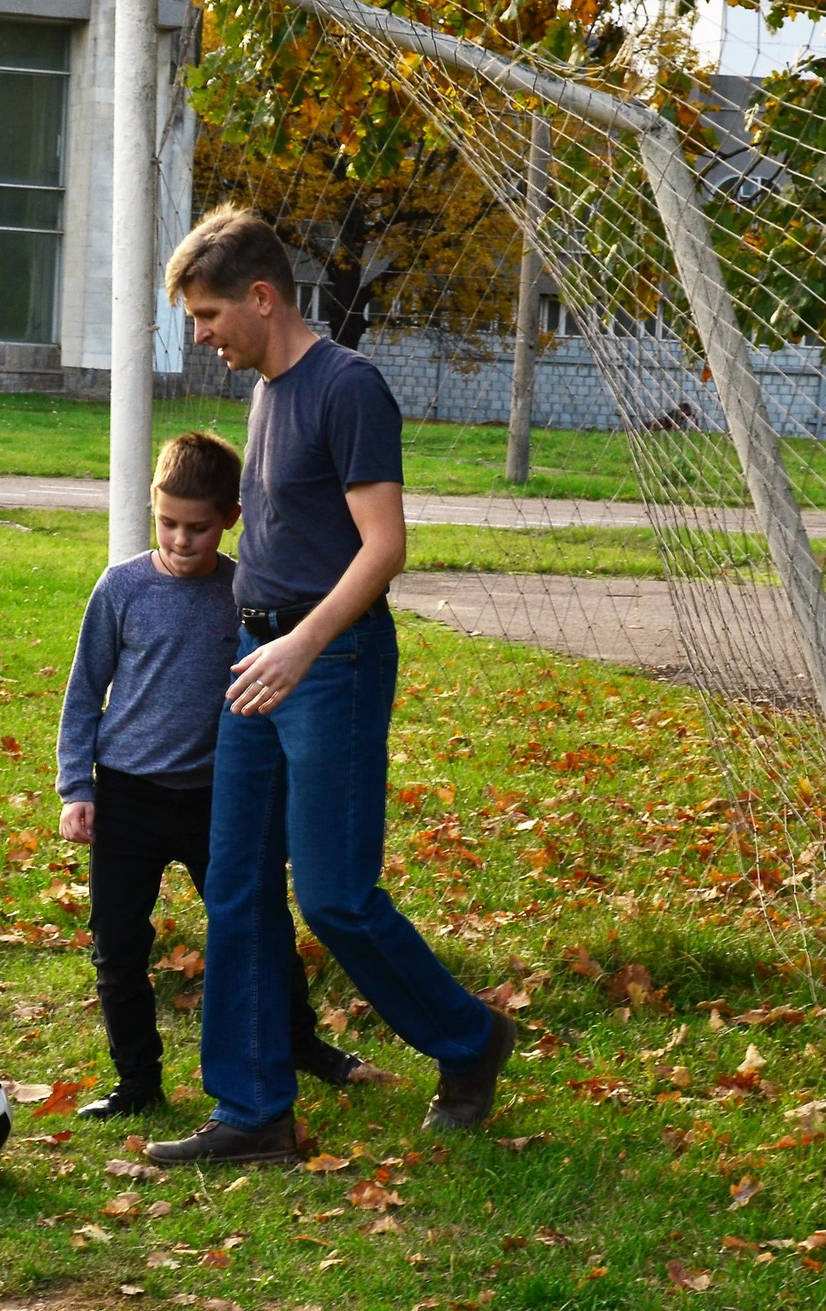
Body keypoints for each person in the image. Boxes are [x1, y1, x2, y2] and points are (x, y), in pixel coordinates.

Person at [145, 206, 515, 1168]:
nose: (202, 336)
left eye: (210, 315)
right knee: (236, 887)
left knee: (337, 896)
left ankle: (472, 1041)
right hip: (256, 664)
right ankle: (254, 1111)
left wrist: (300, 649)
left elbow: (385, 548)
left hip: (327, 666)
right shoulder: (269, 389)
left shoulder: (348, 388)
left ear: (262, 298)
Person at [57, 430, 365, 1120]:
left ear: (230, 519)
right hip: (128, 796)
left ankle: (302, 1045)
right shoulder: (122, 589)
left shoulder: (244, 594)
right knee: (118, 944)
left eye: (198, 527)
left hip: (217, 799)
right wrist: (77, 786)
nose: (180, 540)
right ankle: (138, 1082)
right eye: (167, 523)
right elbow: (84, 693)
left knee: (259, 925)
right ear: (152, 511)